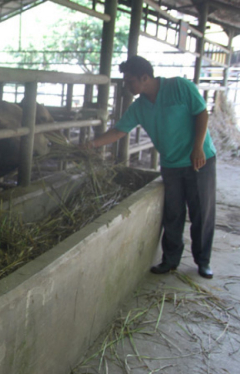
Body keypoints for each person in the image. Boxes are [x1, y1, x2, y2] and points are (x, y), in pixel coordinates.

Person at [82, 55, 216, 279]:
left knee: (201, 211)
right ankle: (170, 260)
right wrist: (92, 144)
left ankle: (203, 261)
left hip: (198, 159)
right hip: (171, 164)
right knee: (173, 214)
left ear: (145, 77)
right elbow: (119, 131)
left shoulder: (180, 87)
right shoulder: (139, 107)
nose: (127, 85)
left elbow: (201, 112)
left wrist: (198, 147)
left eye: (130, 81)